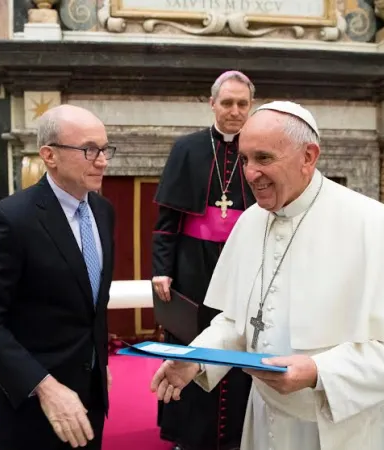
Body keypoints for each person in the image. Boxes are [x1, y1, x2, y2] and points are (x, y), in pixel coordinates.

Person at [150, 101, 384, 450]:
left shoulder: (374, 225)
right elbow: (237, 321)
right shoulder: (249, 223)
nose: (250, 173)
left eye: (264, 158)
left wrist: (318, 371)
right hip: (267, 420)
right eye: (245, 159)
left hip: (352, 429)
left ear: (308, 156)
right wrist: (196, 359)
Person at [0, 105, 116, 450]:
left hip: (89, 399)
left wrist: (98, 361)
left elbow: (91, 304)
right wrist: (44, 386)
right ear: (50, 155)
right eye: (90, 150)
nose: (103, 160)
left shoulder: (103, 212)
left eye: (106, 149)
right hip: (31, 408)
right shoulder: (10, 220)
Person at [152, 70, 256, 450]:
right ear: (212, 104)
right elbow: (167, 222)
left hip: (246, 263)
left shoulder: (259, 149)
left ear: (251, 106)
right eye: (227, 102)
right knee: (191, 344)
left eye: (242, 103)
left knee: (242, 340)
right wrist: (162, 269)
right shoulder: (188, 148)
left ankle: (238, 432)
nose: (234, 111)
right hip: (193, 265)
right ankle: (189, 433)